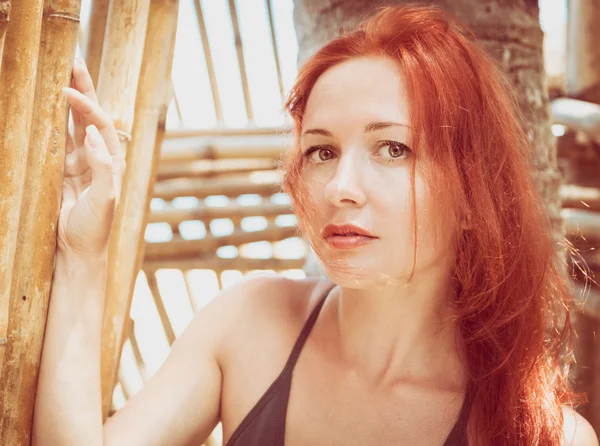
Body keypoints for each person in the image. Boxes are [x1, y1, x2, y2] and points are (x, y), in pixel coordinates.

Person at [32, 4, 598, 446]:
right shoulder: (250, 327)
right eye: (321, 152)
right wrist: (83, 253)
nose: (339, 188)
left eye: (393, 149)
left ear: (476, 193)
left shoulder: (539, 434)